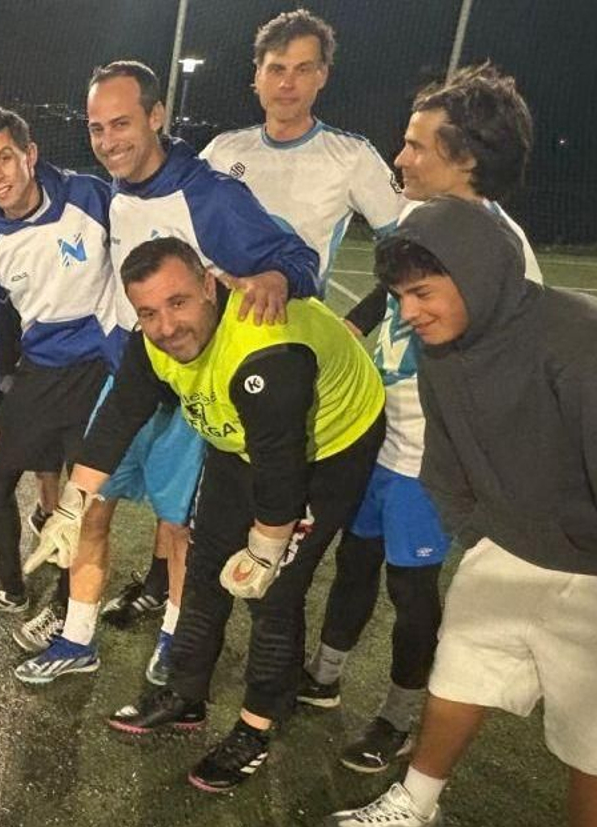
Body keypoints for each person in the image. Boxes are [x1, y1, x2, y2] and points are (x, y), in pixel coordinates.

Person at [322, 198, 597, 827]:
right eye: (399, 296)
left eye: (421, 292)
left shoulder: (594, 347)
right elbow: (445, 460)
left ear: (476, 273)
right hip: (510, 548)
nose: (408, 312)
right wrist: (484, 535)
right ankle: (416, 807)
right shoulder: (445, 344)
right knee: (458, 680)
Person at [35, 236, 382, 791]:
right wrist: (73, 505)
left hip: (328, 445)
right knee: (203, 567)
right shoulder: (150, 341)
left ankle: (256, 726)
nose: (166, 327)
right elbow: (121, 414)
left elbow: (282, 465)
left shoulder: (263, 348)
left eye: (178, 303)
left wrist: (269, 546)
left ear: (209, 285)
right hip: (240, 440)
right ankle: (185, 693)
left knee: (274, 592)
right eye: (148, 312)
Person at [14, 59, 321, 686]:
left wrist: (274, 276)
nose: (108, 141)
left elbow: (299, 258)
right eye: (97, 128)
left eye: (122, 123)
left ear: (157, 117)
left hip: (196, 389)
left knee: (181, 526)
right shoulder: (120, 192)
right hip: (131, 374)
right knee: (87, 502)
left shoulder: (209, 194)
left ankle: (176, 639)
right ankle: (77, 637)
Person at [301, 63, 543, 774]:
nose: (400, 158)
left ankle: (400, 716)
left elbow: (519, 367)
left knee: (411, 589)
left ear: (465, 158)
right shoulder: (416, 219)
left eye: (415, 146)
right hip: (379, 435)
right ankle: (323, 672)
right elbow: (387, 291)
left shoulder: (506, 252)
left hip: (430, 459)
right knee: (355, 561)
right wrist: (352, 326)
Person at [0, 107, 123, 623]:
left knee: (82, 502)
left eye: (5, 158)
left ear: (30, 154)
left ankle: (66, 609)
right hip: (41, 372)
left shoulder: (90, 197)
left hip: (101, 373)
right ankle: (10, 587)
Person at [199, 9, 404, 288]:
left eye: (303, 69)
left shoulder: (351, 156)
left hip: (295, 326)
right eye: (277, 69)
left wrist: (361, 319)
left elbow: (407, 244)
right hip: (218, 325)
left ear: (322, 76)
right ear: (258, 76)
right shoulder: (222, 151)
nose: (287, 83)